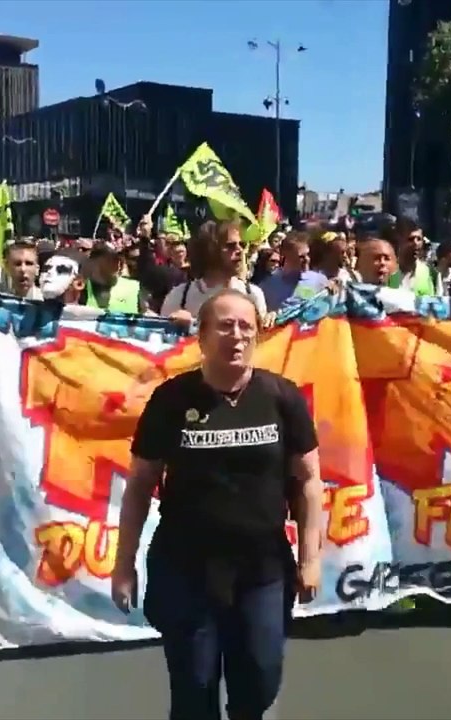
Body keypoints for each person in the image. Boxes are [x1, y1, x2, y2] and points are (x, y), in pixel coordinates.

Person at [112, 289, 324, 720]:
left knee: (260, 678)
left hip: (262, 570)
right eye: (225, 326)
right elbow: (139, 485)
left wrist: (310, 559)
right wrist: (123, 564)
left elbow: (308, 481)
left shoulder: (281, 397)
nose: (237, 336)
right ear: (202, 337)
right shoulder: (171, 400)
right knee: (195, 688)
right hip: (186, 570)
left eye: (246, 326)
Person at [160, 220, 269, 326]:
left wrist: (273, 324)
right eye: (230, 246)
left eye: (242, 244)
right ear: (210, 250)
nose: (240, 250)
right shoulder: (179, 297)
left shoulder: (253, 294)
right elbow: (160, 335)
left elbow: (260, 337)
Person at [259, 234, 328, 312]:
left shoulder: (319, 280)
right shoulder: (268, 284)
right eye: (301, 257)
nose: (307, 259)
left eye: (308, 254)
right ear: (285, 256)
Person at [84, 242, 150, 313]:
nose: (118, 263)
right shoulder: (82, 288)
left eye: (119, 259)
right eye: (112, 259)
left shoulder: (134, 287)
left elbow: (146, 315)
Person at [384, 218, 435, 296]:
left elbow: (431, 299)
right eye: (410, 239)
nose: (416, 243)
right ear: (399, 242)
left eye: (419, 239)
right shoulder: (387, 270)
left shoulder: (425, 271)